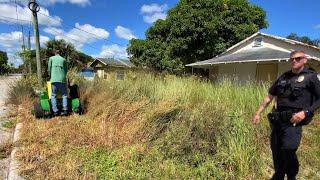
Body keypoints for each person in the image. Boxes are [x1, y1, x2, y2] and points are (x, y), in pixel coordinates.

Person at [252, 50, 320, 180]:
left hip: (294, 121)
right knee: (276, 150)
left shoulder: (311, 77)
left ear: (305, 60)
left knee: (288, 150)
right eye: (292, 59)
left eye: (298, 58)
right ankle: (278, 174)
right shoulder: (284, 77)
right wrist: (258, 113)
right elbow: (269, 97)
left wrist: (306, 112)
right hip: (277, 120)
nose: (294, 61)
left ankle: (291, 176)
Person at [48, 50, 68, 116]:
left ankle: (55, 111)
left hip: (54, 79)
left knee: (53, 95)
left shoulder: (51, 58)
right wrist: (63, 75)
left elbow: (49, 68)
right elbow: (66, 70)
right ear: (60, 54)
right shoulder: (63, 59)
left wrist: (50, 75)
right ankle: (65, 109)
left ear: (55, 53)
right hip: (62, 80)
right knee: (64, 95)